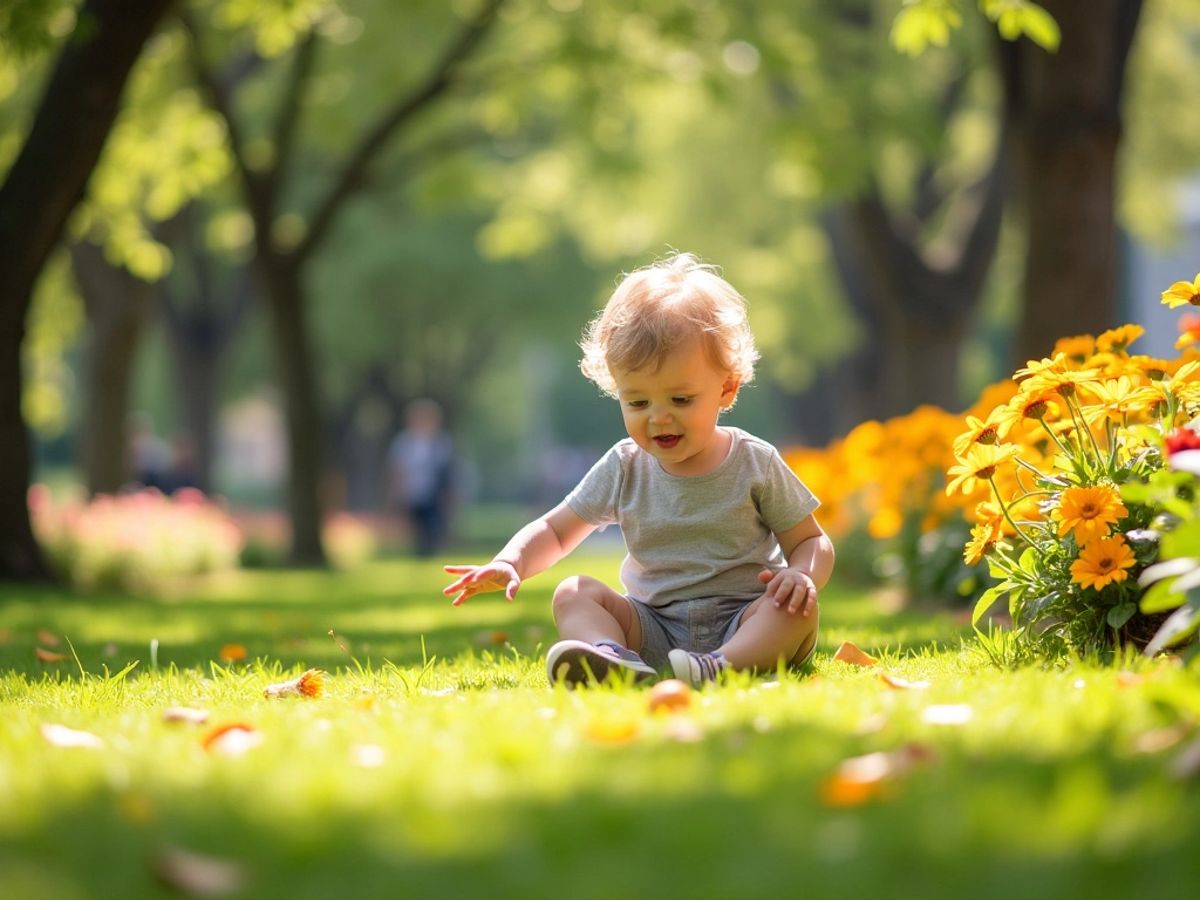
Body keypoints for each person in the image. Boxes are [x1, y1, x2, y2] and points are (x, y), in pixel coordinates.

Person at [443, 252, 834, 687]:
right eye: (638, 402)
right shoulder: (624, 465)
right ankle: (613, 657)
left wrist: (802, 574)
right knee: (572, 592)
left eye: (680, 400)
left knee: (797, 609)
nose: (658, 418)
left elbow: (811, 540)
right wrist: (511, 561)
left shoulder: (754, 462)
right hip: (652, 626)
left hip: (744, 620)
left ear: (726, 389)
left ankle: (723, 665)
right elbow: (555, 531)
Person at [387, 398, 455, 556]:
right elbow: (397, 469)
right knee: (416, 525)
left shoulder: (441, 443)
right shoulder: (404, 443)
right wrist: (396, 491)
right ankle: (421, 551)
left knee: (431, 523)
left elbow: (447, 471)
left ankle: (430, 550)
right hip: (412, 491)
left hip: (433, 493)